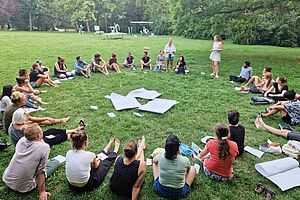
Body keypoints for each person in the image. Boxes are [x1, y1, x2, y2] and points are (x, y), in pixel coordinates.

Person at [2, 123, 53, 200]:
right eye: (41, 130)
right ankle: (57, 160)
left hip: (7, 179)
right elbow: (40, 172)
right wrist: (42, 191)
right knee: (51, 165)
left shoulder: (21, 140)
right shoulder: (44, 147)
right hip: (24, 188)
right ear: (38, 136)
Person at [8, 108, 82, 147]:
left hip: (32, 139)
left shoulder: (15, 123)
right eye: (26, 116)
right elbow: (33, 138)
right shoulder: (23, 128)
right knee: (53, 138)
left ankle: (73, 130)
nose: (28, 117)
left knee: (51, 131)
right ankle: (70, 136)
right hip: (30, 144)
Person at [3, 91, 69, 134]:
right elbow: (32, 119)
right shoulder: (18, 110)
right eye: (23, 100)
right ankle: (60, 120)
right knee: (37, 122)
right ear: (18, 102)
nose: (26, 100)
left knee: (38, 121)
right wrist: (46, 117)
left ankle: (59, 120)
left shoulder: (13, 106)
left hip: (11, 127)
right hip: (14, 129)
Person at [153, 135, 196, 199]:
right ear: (178, 148)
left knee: (155, 163)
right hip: (179, 193)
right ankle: (186, 185)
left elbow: (154, 161)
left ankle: (157, 180)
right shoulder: (185, 160)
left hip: (161, 190)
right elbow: (188, 171)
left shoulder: (160, 156)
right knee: (193, 169)